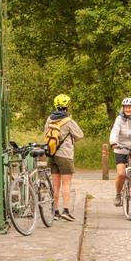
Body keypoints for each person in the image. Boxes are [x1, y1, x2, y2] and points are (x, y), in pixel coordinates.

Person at [44, 93, 84, 221]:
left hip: (52, 154)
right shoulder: (69, 121)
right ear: (67, 106)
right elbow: (79, 135)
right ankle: (65, 210)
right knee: (66, 184)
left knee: (55, 185)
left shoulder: (49, 119)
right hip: (65, 156)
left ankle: (55, 211)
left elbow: (45, 134)